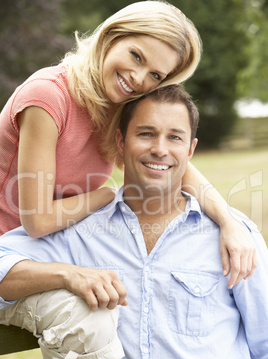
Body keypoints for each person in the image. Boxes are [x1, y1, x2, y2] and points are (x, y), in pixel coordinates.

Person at [0, 85, 267, 359]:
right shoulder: (84, 233)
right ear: (119, 142)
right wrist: (66, 274)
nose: (160, 148)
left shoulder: (232, 236)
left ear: (190, 150)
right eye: (146, 134)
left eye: (175, 137)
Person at [0, 1, 256, 288]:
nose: (138, 77)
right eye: (136, 56)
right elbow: (37, 220)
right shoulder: (48, 97)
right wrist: (107, 195)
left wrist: (229, 222)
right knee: (95, 316)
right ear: (112, 37)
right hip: (9, 260)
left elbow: (171, 162)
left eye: (155, 75)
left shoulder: (117, 107)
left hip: (54, 251)